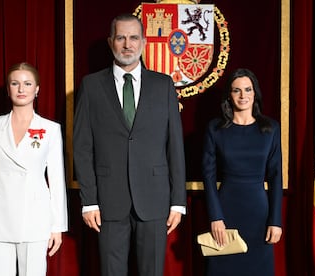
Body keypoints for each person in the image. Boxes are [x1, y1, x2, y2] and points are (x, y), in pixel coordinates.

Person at [73, 13, 187, 276]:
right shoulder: (91, 86)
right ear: (110, 41)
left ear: (144, 42)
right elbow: (81, 147)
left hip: (156, 200)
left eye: (134, 37)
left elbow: (175, 147)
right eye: (121, 37)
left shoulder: (164, 85)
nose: (128, 44)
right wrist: (89, 201)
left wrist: (178, 201)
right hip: (108, 202)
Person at [0, 62, 68, 276]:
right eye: (15, 83)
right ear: (8, 89)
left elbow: (56, 179)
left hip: (35, 217)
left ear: (37, 89)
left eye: (27, 83)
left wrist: (57, 226)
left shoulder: (51, 130)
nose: (21, 89)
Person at [201, 68, 283, 276]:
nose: (243, 95)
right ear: (229, 95)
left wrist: (275, 220)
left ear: (255, 93)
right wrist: (215, 216)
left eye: (248, 89)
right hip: (226, 211)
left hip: (259, 213)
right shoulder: (215, 128)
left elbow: (275, 176)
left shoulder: (271, 129)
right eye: (236, 90)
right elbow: (208, 176)